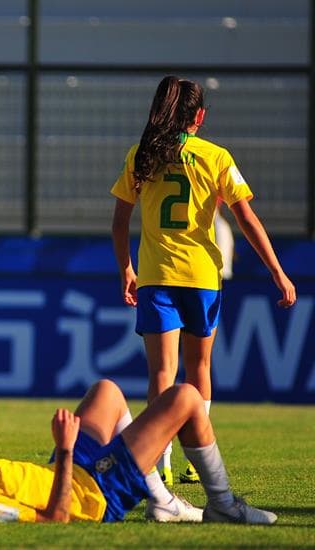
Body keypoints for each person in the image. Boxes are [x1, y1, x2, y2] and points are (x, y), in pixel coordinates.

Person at [110, 76, 296, 486]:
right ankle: (199, 459)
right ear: (199, 116)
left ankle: (160, 466)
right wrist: (277, 271)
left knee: (162, 374)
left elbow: (120, 221)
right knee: (200, 368)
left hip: (157, 278)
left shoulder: (142, 155)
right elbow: (246, 218)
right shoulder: (215, 156)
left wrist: (126, 267)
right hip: (201, 276)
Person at [0, 379, 277, 525]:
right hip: (95, 492)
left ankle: (162, 501)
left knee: (107, 392)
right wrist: (63, 450)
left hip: (74, 467)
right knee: (185, 397)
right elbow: (54, 519)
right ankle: (223, 504)